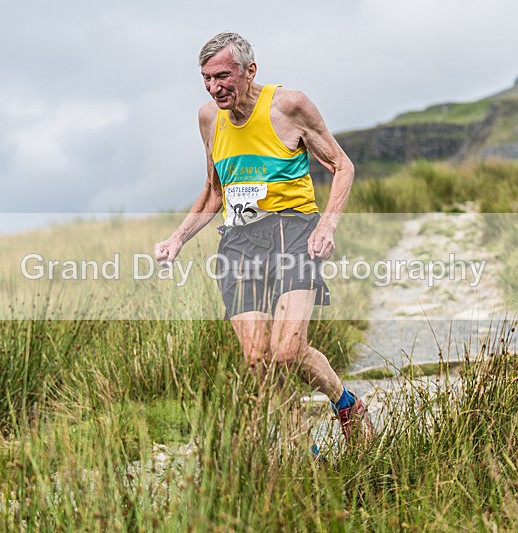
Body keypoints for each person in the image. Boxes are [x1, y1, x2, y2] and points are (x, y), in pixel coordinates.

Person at [153, 31, 373, 443]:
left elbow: (341, 166)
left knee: (288, 351)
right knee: (257, 360)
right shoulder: (208, 118)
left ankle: (346, 405)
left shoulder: (289, 106)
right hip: (239, 242)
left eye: (223, 75)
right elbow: (215, 190)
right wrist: (177, 238)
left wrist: (327, 226)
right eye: (206, 78)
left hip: (293, 234)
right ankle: (302, 450)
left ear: (250, 70)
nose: (215, 87)